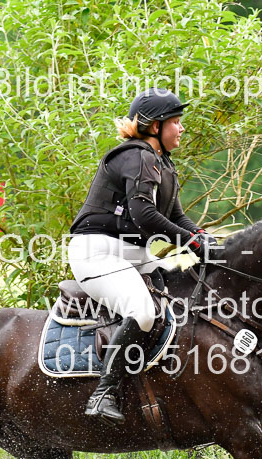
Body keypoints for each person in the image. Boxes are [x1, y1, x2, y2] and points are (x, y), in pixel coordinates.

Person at [68, 88, 217, 425]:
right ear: (154, 126)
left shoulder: (162, 163)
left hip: (132, 254)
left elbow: (177, 217)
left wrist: (204, 240)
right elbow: (143, 215)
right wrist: (192, 244)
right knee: (144, 313)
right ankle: (103, 393)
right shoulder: (137, 157)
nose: (181, 129)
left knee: (182, 294)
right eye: (176, 122)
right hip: (97, 253)